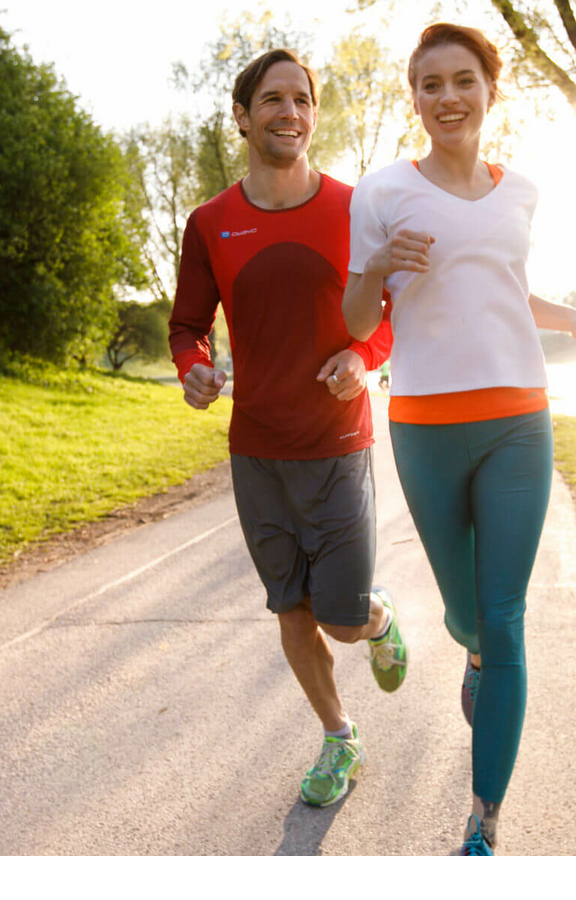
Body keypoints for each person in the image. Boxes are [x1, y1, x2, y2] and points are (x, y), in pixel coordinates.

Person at [342, 23, 576, 855]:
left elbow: (500, 287)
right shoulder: (382, 192)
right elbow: (357, 321)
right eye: (430, 84)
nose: (448, 97)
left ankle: (483, 822)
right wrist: (379, 261)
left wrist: (568, 316)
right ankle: (469, 652)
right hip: (425, 426)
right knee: (467, 615)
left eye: (464, 80)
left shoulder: (522, 190)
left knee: (504, 617)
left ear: (492, 92)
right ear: (415, 98)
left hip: (518, 424)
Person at [169, 49, 405, 809]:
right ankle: (340, 736)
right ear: (242, 116)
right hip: (256, 452)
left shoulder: (353, 207)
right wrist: (193, 370)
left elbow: (386, 316)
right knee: (289, 608)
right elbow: (186, 326)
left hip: (337, 443)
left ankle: (377, 618)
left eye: (302, 100)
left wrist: (363, 359)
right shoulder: (210, 222)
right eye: (273, 99)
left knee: (337, 617)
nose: (291, 112)